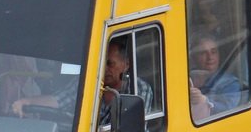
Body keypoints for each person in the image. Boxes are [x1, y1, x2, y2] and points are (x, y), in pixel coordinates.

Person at [10, 40, 152, 123]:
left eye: (110, 64)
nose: (104, 70)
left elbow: (125, 131)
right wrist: (27, 101)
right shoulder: (89, 81)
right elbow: (58, 99)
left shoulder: (139, 89)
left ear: (126, 65)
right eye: (100, 64)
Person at [188, 32, 244, 121]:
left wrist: (204, 101)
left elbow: (228, 110)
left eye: (213, 52)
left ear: (218, 54)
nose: (210, 57)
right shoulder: (186, 78)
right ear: (192, 57)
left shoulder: (230, 82)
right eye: (203, 53)